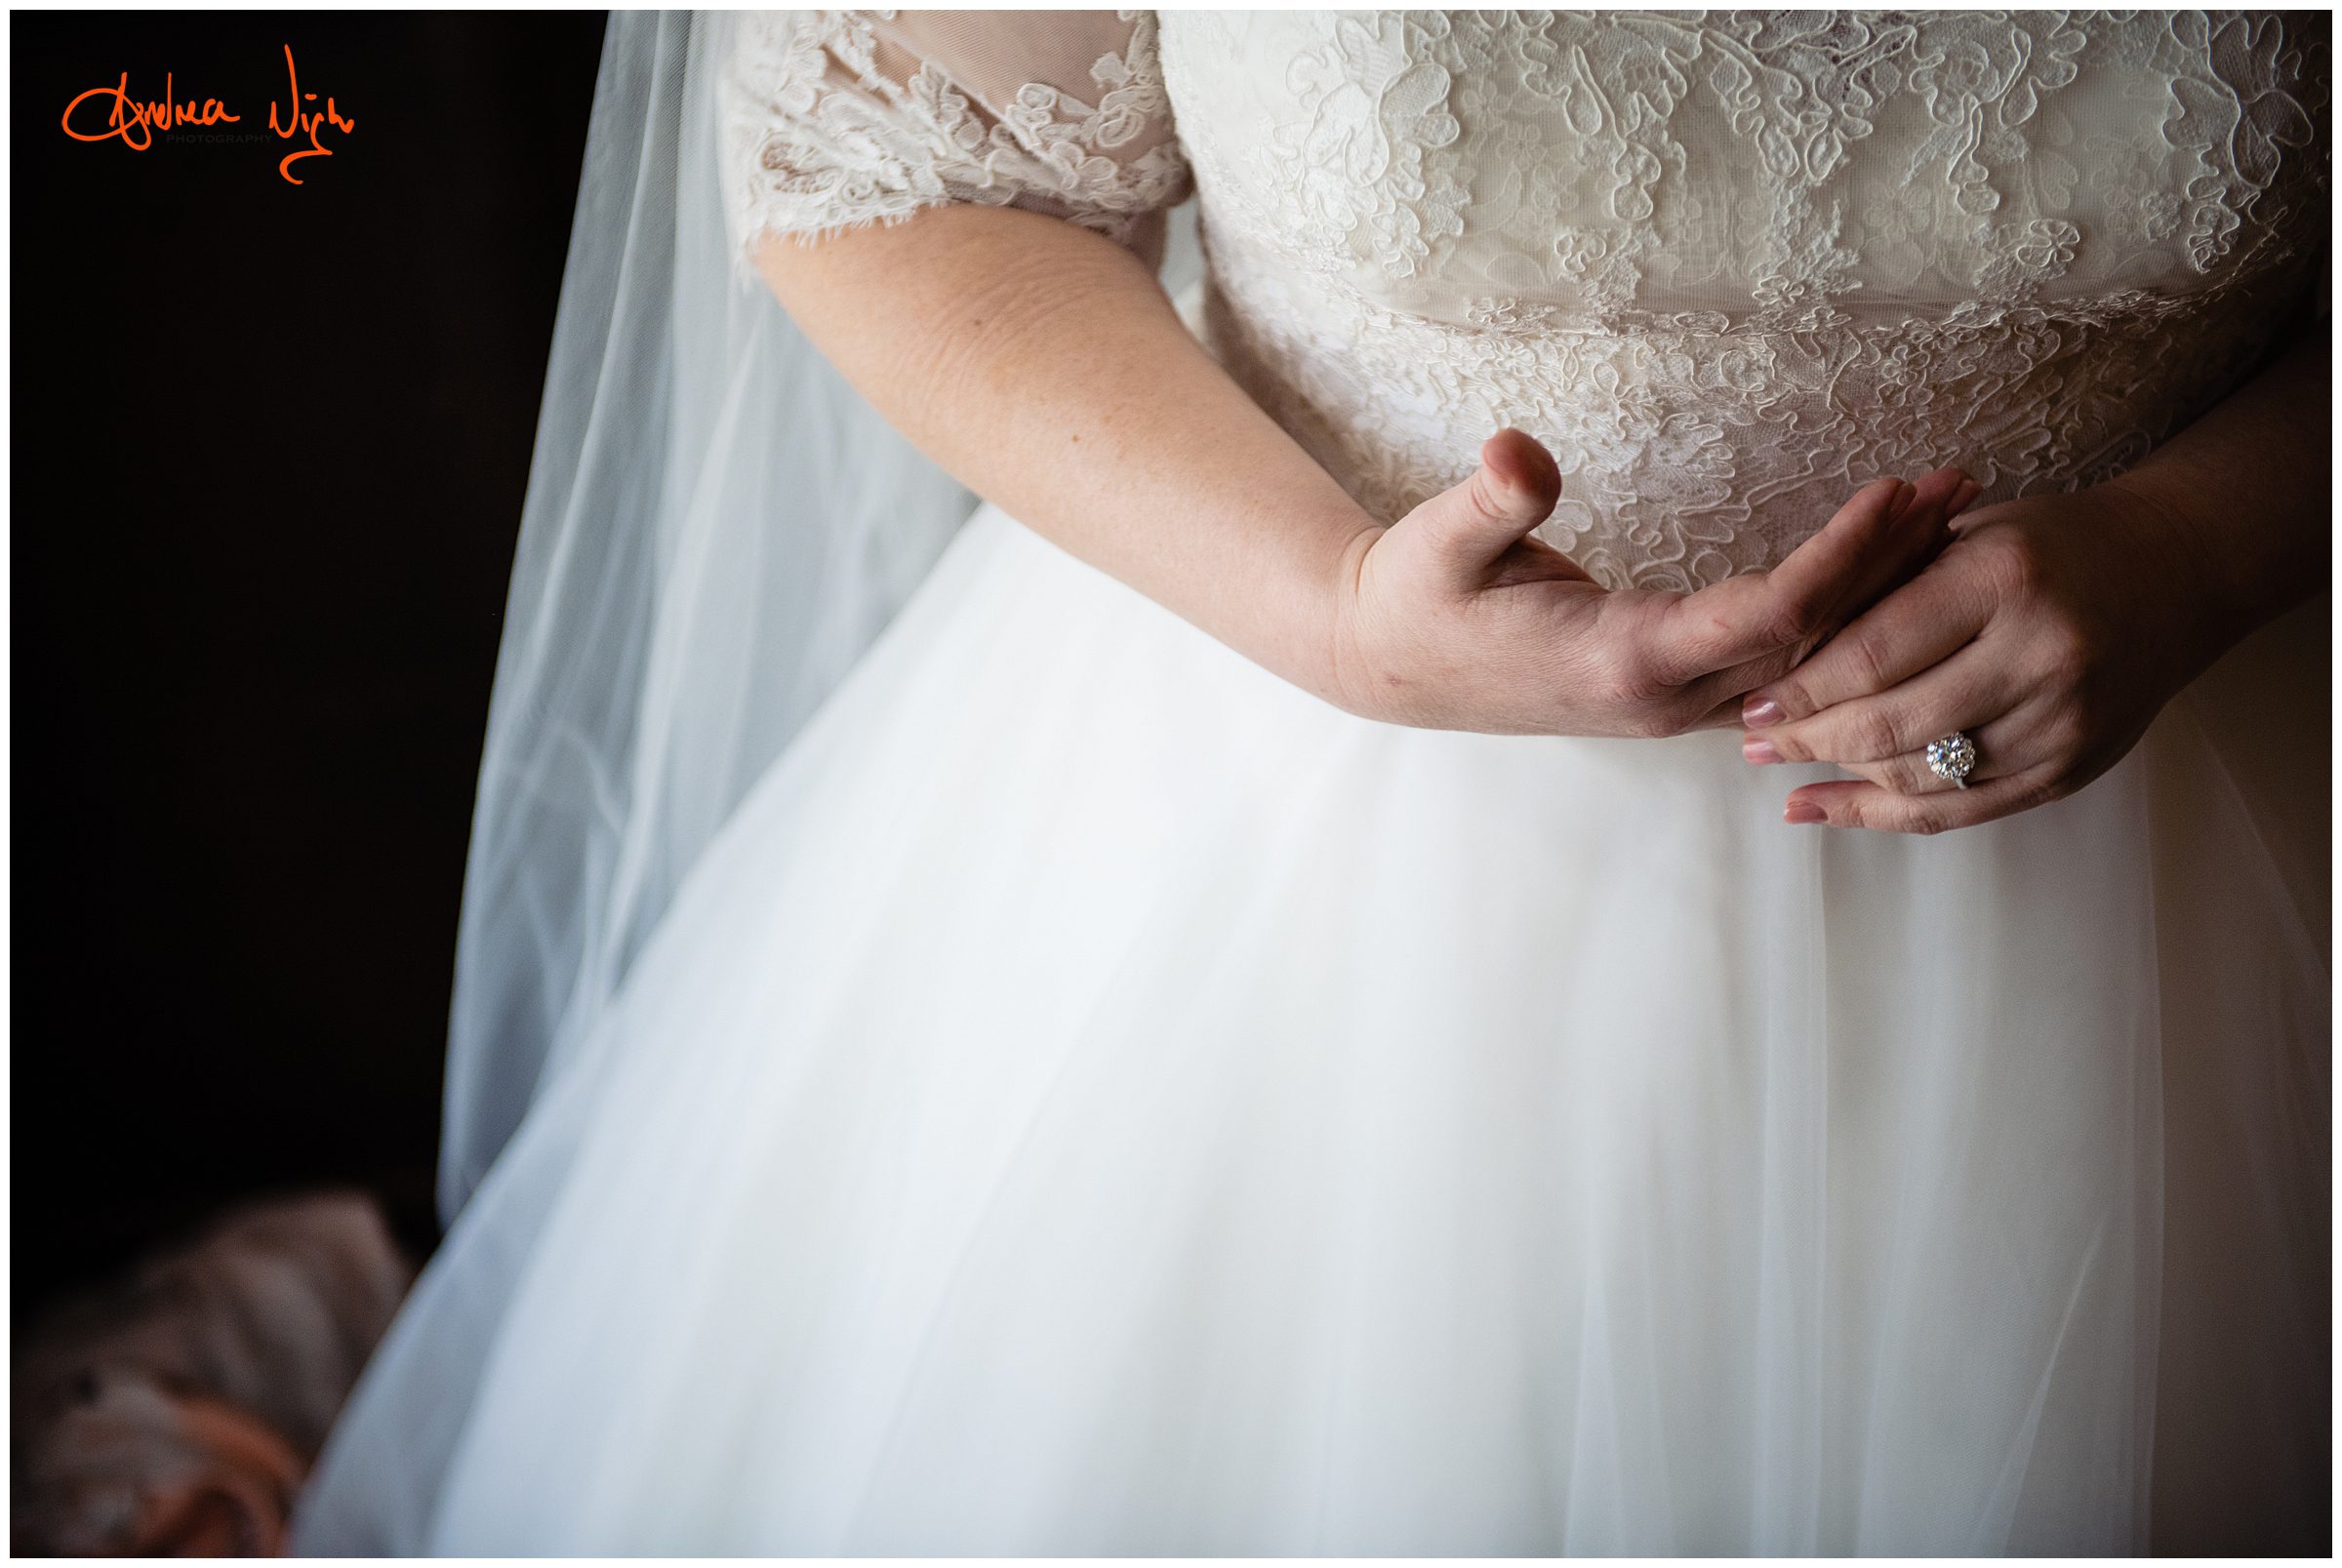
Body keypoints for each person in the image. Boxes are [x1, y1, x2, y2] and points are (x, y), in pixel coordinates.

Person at [296, 12, 2329, 1553]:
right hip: (1283, 821)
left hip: (2186, 826)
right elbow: (881, 153)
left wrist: (2214, 540)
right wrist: (1337, 612)